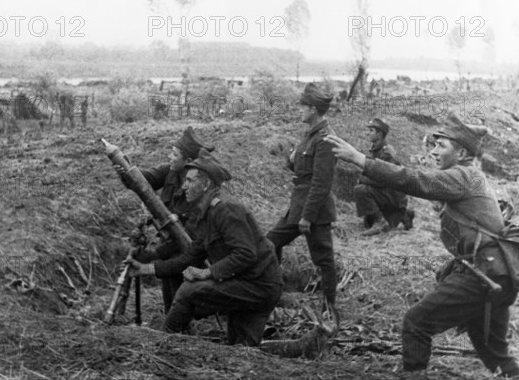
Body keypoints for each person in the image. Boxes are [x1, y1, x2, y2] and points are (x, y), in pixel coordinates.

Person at [324, 112, 519, 379]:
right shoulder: (470, 176)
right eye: (433, 145)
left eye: (441, 146)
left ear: (462, 153)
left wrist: (359, 159)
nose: (434, 152)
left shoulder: (463, 176)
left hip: (482, 274)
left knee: (416, 324)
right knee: (492, 348)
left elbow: (414, 180)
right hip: (496, 274)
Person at [126, 149, 283, 346]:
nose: (184, 187)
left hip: (259, 285)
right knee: (241, 349)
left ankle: (164, 342)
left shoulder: (225, 208)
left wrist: (206, 273)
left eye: (190, 181)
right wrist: (145, 268)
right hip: (247, 284)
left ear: (206, 184)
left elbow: (245, 255)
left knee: (189, 291)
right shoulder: (203, 214)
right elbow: (189, 257)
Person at [114, 126, 215, 314]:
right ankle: (172, 320)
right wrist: (125, 170)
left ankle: (181, 323)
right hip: (170, 241)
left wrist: (154, 254)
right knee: (169, 286)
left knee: (179, 283)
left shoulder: (198, 186)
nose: (170, 157)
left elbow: (189, 233)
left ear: (189, 161)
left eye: (175, 154)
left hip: (189, 247)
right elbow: (142, 180)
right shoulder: (169, 171)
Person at [266, 83, 339, 324]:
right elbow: (303, 169)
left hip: (314, 211)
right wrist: (290, 160)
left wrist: (307, 216)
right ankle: (273, 294)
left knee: (324, 260)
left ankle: (330, 308)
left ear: (314, 109)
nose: (300, 110)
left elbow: (321, 183)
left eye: (304, 107)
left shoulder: (325, 139)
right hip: (298, 206)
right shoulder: (310, 134)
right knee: (269, 242)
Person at [353, 118, 415, 236]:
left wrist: (363, 179)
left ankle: (379, 222)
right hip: (387, 192)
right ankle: (405, 215)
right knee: (367, 222)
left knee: (360, 189)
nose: (368, 133)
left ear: (380, 134)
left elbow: (385, 178)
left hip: (394, 194)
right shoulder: (376, 149)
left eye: (371, 130)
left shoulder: (386, 152)